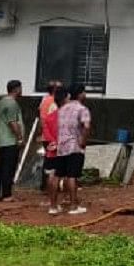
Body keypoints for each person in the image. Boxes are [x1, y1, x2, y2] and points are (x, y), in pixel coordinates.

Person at [54, 84, 92, 215]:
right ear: (80, 94)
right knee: (72, 176)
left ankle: (54, 206)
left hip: (61, 147)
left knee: (58, 175)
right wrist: (83, 141)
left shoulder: (62, 109)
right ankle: (73, 206)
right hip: (74, 146)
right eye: (84, 92)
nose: (85, 95)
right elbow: (86, 126)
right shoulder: (82, 109)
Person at [0, 80, 25, 202]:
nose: (22, 90)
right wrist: (20, 137)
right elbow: (13, 123)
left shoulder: (1, 102)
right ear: (16, 89)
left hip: (1, 140)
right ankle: (6, 194)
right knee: (8, 168)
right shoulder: (12, 104)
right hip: (10, 140)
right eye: (20, 88)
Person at [43, 87, 68, 215]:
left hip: (52, 150)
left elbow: (46, 135)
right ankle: (66, 200)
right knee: (66, 176)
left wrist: (53, 143)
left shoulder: (49, 117)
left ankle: (52, 204)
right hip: (63, 151)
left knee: (51, 176)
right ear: (65, 99)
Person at [38, 79, 63, 192]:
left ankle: (45, 186)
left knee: (48, 161)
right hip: (53, 136)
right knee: (55, 163)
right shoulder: (54, 102)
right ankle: (52, 187)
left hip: (46, 135)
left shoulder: (44, 100)